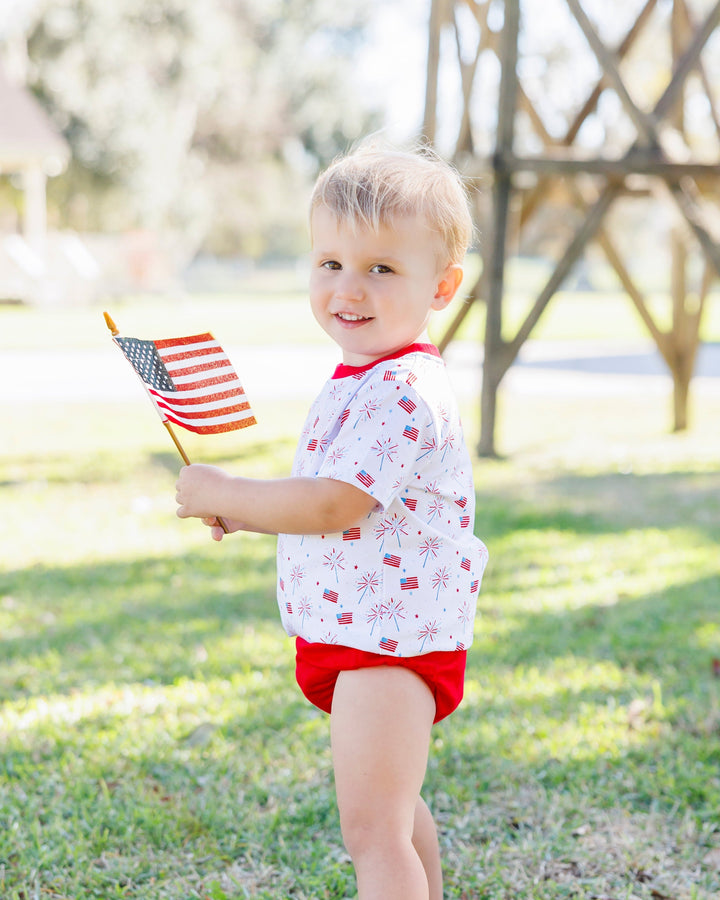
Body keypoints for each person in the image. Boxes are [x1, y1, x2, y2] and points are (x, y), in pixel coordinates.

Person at [175, 140, 488, 900]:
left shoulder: (402, 390)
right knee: (395, 811)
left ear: (441, 286)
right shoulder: (366, 375)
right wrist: (249, 516)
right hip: (363, 627)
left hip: (391, 636)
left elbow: (332, 502)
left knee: (372, 830)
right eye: (330, 263)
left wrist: (230, 491)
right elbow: (327, 496)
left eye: (381, 268)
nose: (349, 287)